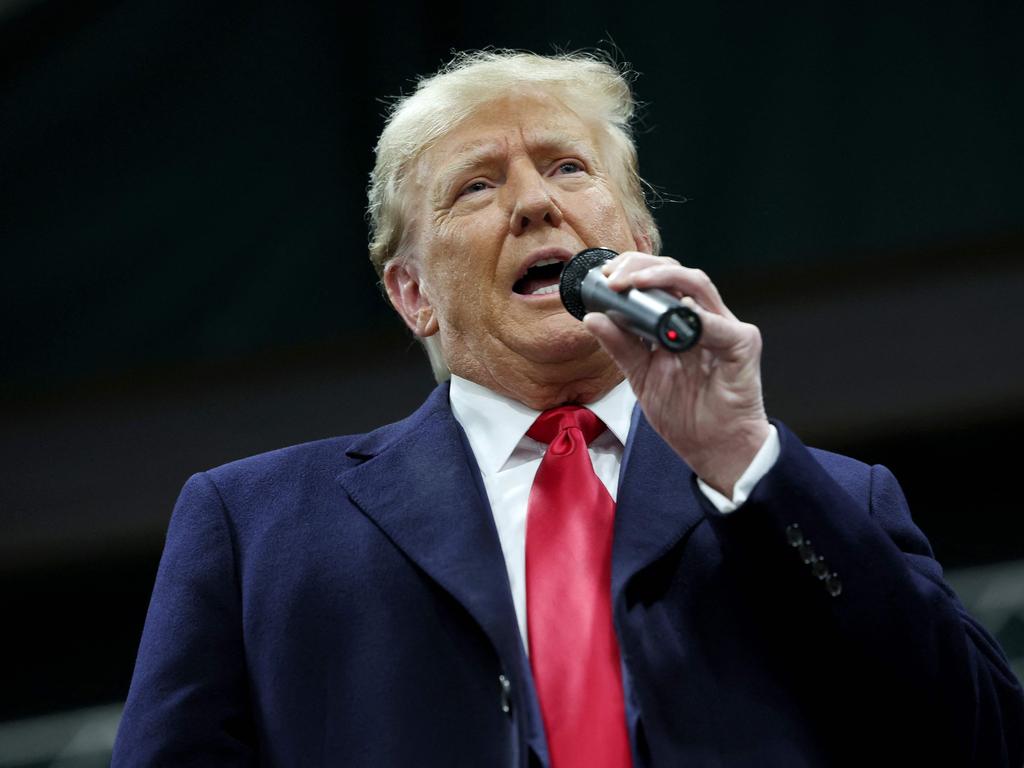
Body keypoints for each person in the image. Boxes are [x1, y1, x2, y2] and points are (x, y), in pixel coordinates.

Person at [112, 51, 1023, 767]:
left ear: (638, 244)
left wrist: (747, 460)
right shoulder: (257, 527)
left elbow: (984, 744)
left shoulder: (822, 499)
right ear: (412, 294)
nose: (536, 204)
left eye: (568, 168)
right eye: (477, 184)